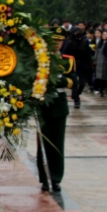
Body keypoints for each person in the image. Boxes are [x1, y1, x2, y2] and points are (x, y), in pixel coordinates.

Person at [35, 26, 74, 193]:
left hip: (59, 104)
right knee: (43, 144)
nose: (57, 43)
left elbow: (73, 82)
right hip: (43, 104)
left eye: (60, 41)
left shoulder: (68, 59)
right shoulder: (41, 58)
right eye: (54, 40)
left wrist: (59, 79)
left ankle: (56, 178)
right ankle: (44, 178)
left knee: (58, 144)